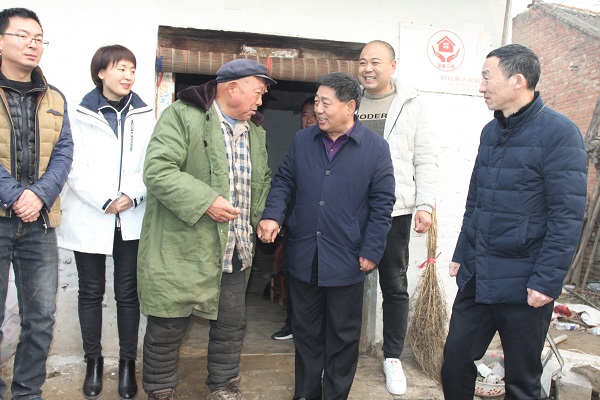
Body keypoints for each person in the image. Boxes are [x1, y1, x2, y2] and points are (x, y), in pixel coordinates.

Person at [441, 44, 587, 399]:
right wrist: (461, 252)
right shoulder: (490, 133)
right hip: (479, 273)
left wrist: (547, 280)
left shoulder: (560, 134)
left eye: (487, 77)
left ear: (517, 80)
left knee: (521, 380)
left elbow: (567, 216)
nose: (481, 86)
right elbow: (476, 199)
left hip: (525, 281)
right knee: (454, 362)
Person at [137, 58, 274, 400]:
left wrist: (266, 216)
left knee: (231, 324)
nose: (261, 101)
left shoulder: (255, 133)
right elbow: (157, 170)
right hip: (184, 246)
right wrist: (206, 200)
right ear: (233, 87)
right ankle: (160, 389)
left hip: (235, 247)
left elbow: (263, 180)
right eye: (258, 92)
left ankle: (223, 386)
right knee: (168, 324)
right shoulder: (183, 116)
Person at [258, 72, 395, 400]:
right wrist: (273, 214)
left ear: (350, 106)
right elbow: (284, 181)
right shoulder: (303, 140)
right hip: (303, 253)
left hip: (347, 257)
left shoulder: (375, 148)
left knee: (343, 336)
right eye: (316, 101)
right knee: (305, 333)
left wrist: (372, 249)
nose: (317, 109)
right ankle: (306, 394)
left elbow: (382, 203)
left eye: (325, 103)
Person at [57, 45, 154, 400]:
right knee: (90, 292)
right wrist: (105, 200)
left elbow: (153, 161)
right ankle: (93, 362)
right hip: (90, 214)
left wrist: (132, 195)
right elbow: (72, 164)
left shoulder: (145, 114)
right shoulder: (78, 113)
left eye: (132, 69)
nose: (128, 76)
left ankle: (127, 363)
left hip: (130, 216)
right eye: (121, 68)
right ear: (101, 72)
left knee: (128, 294)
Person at [356, 39, 437, 395]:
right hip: (350, 210)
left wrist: (425, 205)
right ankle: (340, 349)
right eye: (362, 62)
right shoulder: (350, 100)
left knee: (393, 284)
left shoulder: (412, 105)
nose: (367, 68)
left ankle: (392, 357)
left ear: (393, 65)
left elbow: (426, 158)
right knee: (344, 281)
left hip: (395, 208)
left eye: (375, 62)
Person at [0, 7, 73, 400]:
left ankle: (28, 392)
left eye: (38, 38)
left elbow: (63, 152)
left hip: (40, 223)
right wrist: (15, 195)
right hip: (1, 216)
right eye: (22, 36)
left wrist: (40, 195)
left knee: (41, 317)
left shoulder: (53, 97)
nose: (32, 44)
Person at [271, 96, 317, 341]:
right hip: (294, 223)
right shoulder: (298, 144)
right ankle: (292, 325)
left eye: (313, 114)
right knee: (291, 275)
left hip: (319, 226)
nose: (309, 119)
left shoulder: (330, 145)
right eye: (305, 115)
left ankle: (311, 330)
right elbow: (283, 182)